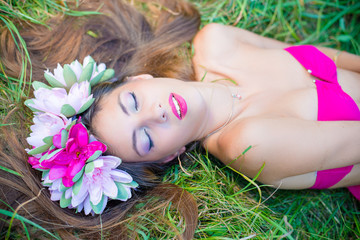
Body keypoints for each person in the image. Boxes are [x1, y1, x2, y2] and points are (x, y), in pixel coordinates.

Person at [1, 0, 359, 238]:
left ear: (139, 79)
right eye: (146, 139)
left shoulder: (217, 43)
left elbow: (338, 60)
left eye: (133, 102)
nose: (155, 114)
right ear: (168, 156)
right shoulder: (249, 142)